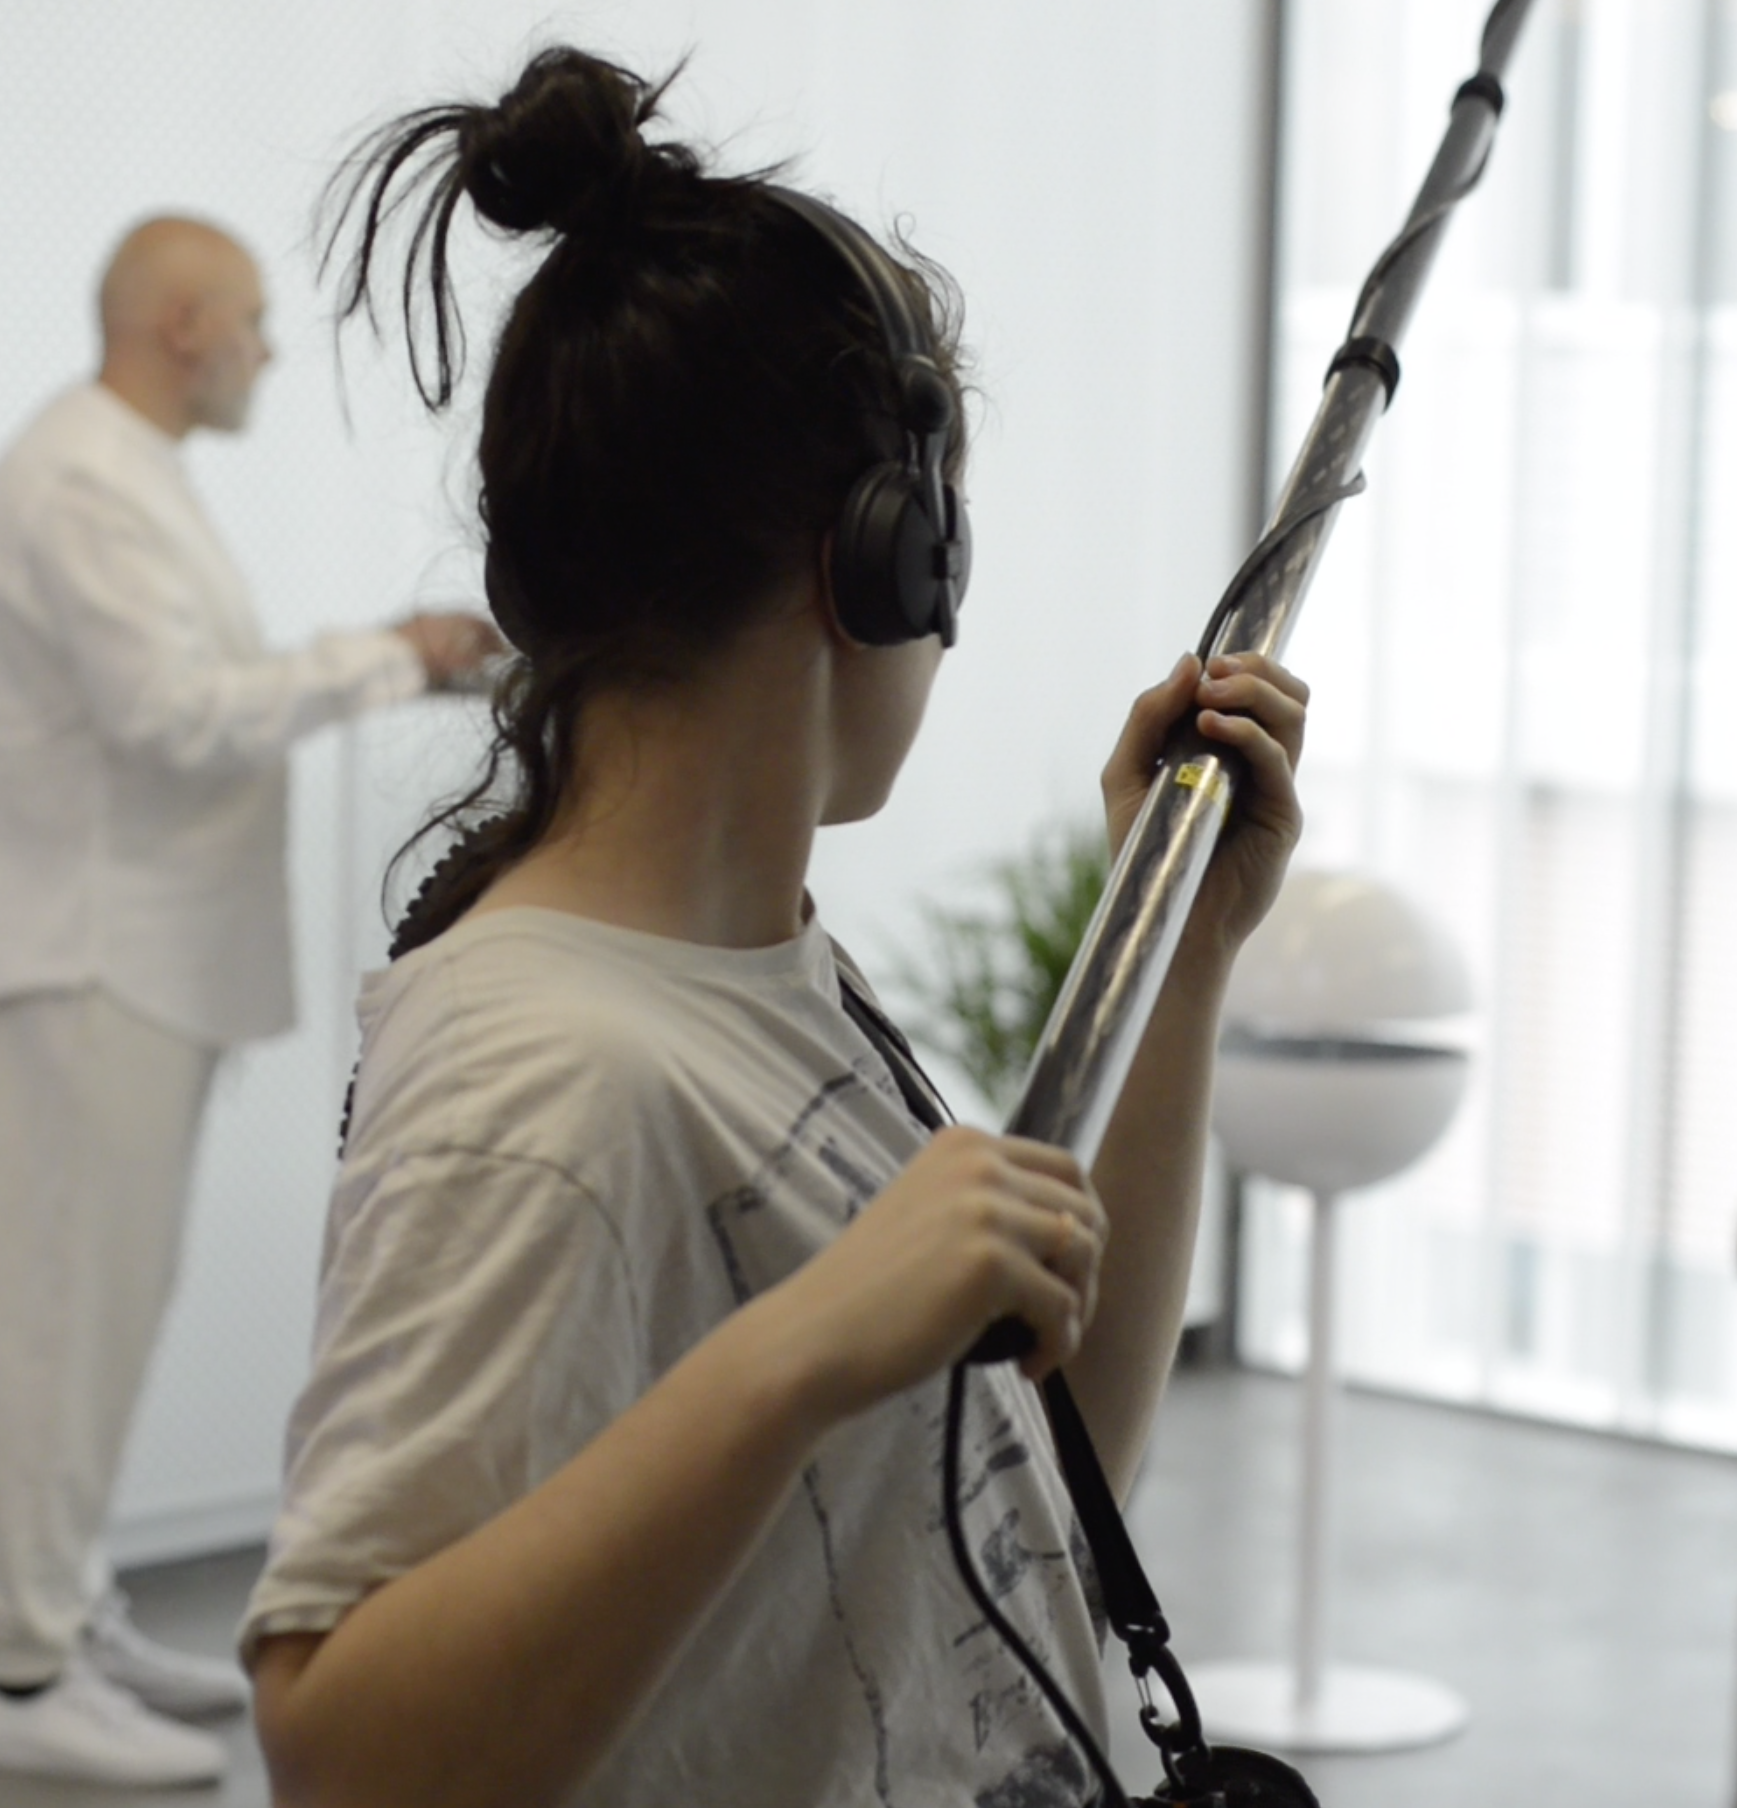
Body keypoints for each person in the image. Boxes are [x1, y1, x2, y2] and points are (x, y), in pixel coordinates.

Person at [234, 49, 1312, 1808]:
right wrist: (798, 1351)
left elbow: (1037, 1493)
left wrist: (1179, 952)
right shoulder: (542, 1077)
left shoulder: (751, 972)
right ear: (885, 555)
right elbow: (343, 1758)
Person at [0, 216, 503, 1785]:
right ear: (182, 324)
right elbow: (176, 716)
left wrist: (391, 659)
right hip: (93, 957)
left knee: (102, 1315)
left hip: (133, 959)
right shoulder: (79, 479)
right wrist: (389, 658)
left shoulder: (126, 473)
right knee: (63, 1320)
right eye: (252, 321)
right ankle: (26, 1677)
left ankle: (66, 1619)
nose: (266, 350)